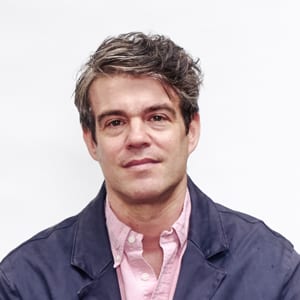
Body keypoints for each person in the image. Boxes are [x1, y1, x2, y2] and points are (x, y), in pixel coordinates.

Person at [0, 32, 299, 300]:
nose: (137, 138)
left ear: (191, 130)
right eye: (115, 122)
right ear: (91, 141)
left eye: (157, 117)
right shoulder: (25, 280)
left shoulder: (271, 268)